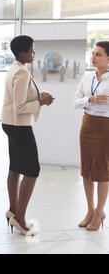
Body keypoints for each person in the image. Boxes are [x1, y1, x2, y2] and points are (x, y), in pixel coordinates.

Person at [1, 35, 54, 236]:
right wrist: (41, 101)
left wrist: (39, 99)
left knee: (15, 167)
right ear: (22, 53)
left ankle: (12, 210)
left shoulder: (13, 68)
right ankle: (20, 219)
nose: (34, 54)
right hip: (19, 125)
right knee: (32, 170)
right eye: (32, 50)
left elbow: (17, 102)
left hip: (9, 123)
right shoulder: (22, 72)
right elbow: (21, 106)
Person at [73, 41, 109, 231]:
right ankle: (90, 210)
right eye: (93, 53)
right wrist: (90, 99)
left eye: (98, 54)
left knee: (102, 170)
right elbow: (75, 102)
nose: (93, 57)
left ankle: (99, 212)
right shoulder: (87, 77)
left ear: (108, 59)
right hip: (87, 125)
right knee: (86, 169)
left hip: (105, 127)